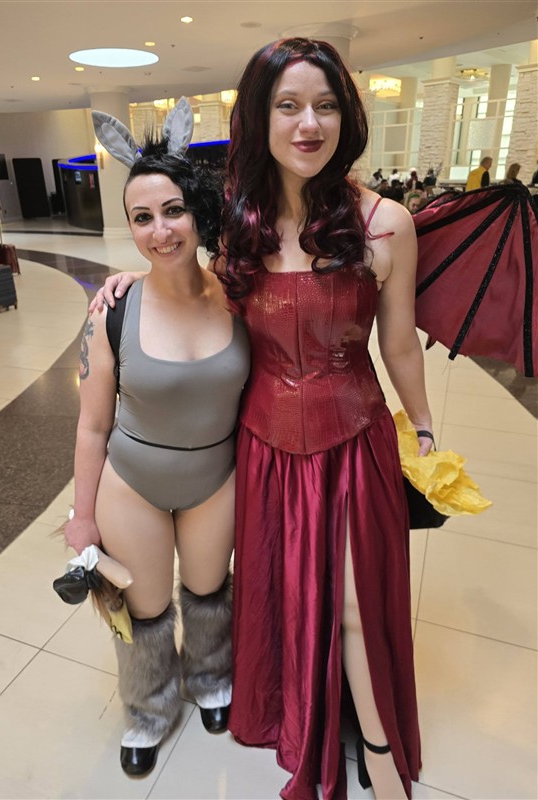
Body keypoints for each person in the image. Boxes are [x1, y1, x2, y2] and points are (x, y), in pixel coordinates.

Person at [93, 37, 434, 800]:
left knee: (354, 599)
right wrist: (131, 280)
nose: (309, 123)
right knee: (282, 588)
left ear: (347, 116)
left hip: (353, 440)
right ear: (259, 117)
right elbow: (186, 278)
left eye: (325, 105)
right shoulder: (237, 224)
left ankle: (378, 745)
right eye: (288, 106)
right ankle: (291, 705)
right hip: (263, 446)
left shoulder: (386, 223)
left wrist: (424, 428)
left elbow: (400, 343)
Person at [67, 107, 250, 779]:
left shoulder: (242, 296)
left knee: (209, 592)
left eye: (173, 211)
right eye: (142, 218)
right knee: (143, 610)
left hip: (216, 477)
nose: (160, 230)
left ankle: (210, 678)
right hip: (133, 483)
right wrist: (82, 516)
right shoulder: (112, 310)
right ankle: (148, 708)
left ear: (197, 210)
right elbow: (91, 425)